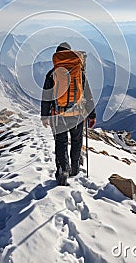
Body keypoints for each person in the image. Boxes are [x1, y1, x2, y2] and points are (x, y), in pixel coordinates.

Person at [41, 42, 96, 185]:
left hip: (58, 116)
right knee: (77, 141)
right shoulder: (79, 72)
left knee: (61, 142)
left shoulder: (52, 73)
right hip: (77, 114)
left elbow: (46, 97)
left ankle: (63, 170)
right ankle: (75, 168)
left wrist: (44, 116)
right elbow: (88, 95)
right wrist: (92, 115)